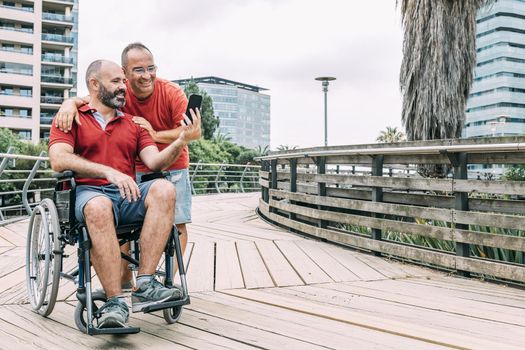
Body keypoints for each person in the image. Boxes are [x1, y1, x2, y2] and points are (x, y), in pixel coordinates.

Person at [49, 59, 201, 328]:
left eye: (123, 81)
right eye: (116, 82)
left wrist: (181, 140)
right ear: (94, 85)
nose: (124, 87)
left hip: (126, 195)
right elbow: (59, 159)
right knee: (98, 207)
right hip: (88, 193)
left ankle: (144, 283)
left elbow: (155, 163)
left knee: (164, 188)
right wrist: (107, 172)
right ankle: (114, 301)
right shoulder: (71, 117)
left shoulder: (133, 124)